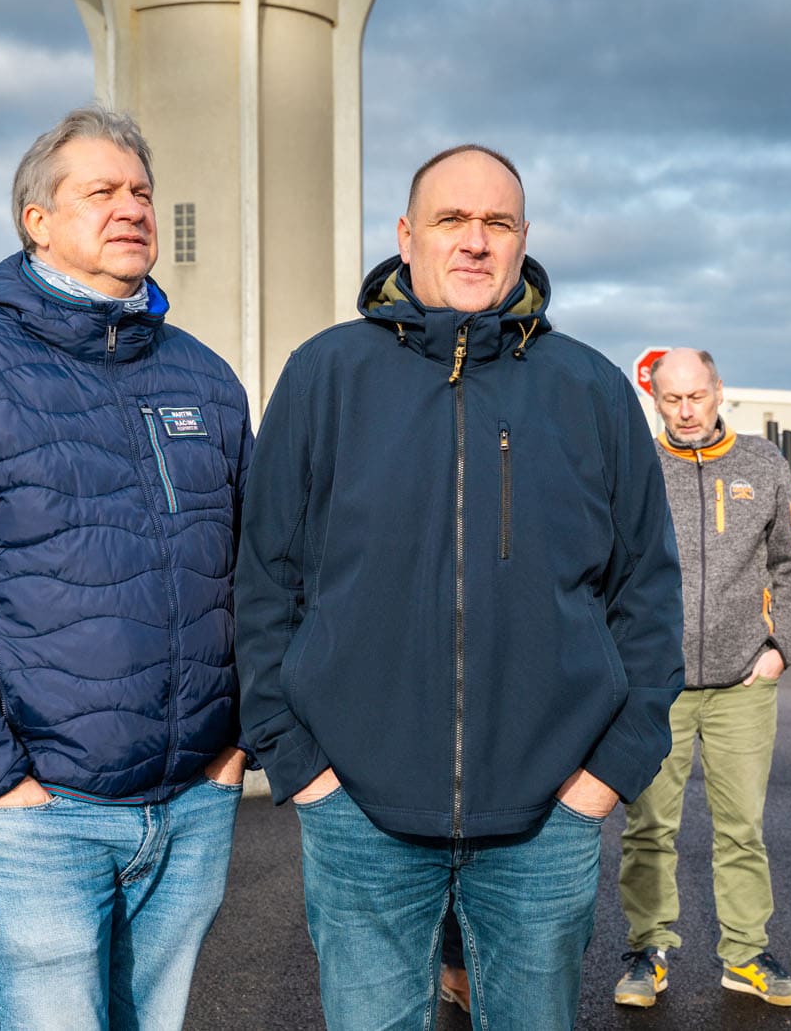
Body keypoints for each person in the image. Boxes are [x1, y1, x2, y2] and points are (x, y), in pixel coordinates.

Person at [236, 144, 684, 1030]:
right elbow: (263, 585)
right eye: (452, 220)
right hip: (359, 816)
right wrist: (302, 765)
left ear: (523, 242)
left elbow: (648, 596)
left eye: (498, 223)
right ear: (407, 238)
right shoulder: (325, 377)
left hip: (546, 819)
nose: (475, 241)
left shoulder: (590, 388)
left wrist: (605, 775)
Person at [0, 107, 252, 1031]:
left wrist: (236, 752)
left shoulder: (204, 378)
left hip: (191, 802)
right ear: (36, 219)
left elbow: (258, 571)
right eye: (101, 191)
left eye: (142, 191)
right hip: (40, 807)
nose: (131, 209)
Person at [614, 348, 791, 1010]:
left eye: (697, 395)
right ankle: (649, 949)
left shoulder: (761, 461)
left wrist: (781, 645)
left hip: (741, 681)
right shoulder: (636, 463)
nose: (686, 410)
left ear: (718, 389)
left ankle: (746, 953)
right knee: (648, 826)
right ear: (656, 400)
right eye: (672, 399)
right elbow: (607, 564)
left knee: (741, 827)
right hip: (655, 684)